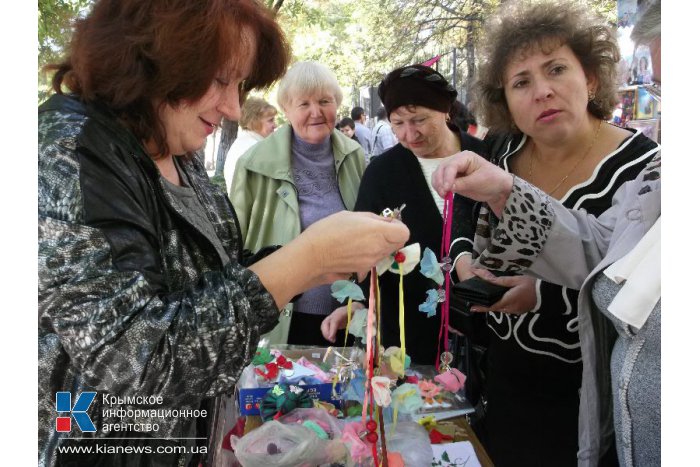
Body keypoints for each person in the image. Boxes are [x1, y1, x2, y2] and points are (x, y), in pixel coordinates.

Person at [38, 2, 409, 466]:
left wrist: (327, 254)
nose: (233, 106)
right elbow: (131, 361)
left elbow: (210, 280)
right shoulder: (66, 154)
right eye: (220, 80)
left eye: (239, 84)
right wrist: (305, 260)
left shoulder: (172, 148)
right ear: (153, 55)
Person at [446, 1, 660, 465]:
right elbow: (465, 204)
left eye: (556, 69)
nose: (542, 91)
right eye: (521, 82)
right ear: (503, 101)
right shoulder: (504, 149)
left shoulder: (643, 169)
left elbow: (635, 297)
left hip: (588, 403)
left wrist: (539, 294)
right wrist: (464, 257)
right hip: (503, 377)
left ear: (592, 78)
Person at [321, 64, 488, 365]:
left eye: (419, 119)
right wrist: (356, 301)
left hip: (483, 331)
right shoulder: (383, 172)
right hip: (407, 335)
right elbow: (362, 246)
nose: (410, 134)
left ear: (446, 111)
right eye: (398, 123)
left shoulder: (485, 157)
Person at [231, 61, 366, 347]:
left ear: (337, 105)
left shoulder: (356, 157)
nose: (316, 112)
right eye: (303, 103)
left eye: (324, 101)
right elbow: (234, 245)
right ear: (286, 110)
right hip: (281, 317)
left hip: (347, 317)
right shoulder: (255, 164)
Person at [222, 96, 277, 192]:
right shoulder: (256, 148)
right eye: (270, 120)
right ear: (254, 122)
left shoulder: (241, 142)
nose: (275, 125)